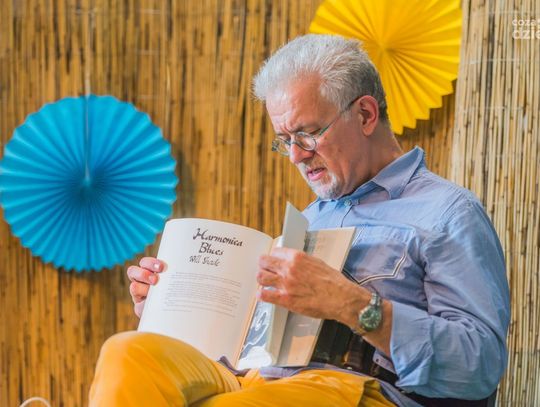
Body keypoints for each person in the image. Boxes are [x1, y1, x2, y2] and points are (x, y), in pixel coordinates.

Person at [89, 34, 510, 406]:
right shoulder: (310, 219)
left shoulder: (447, 212)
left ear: (365, 114)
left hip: (356, 388)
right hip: (256, 378)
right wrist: (167, 307)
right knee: (128, 353)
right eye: (285, 140)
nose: (295, 156)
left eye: (307, 134)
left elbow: (479, 365)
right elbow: (248, 345)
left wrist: (350, 304)